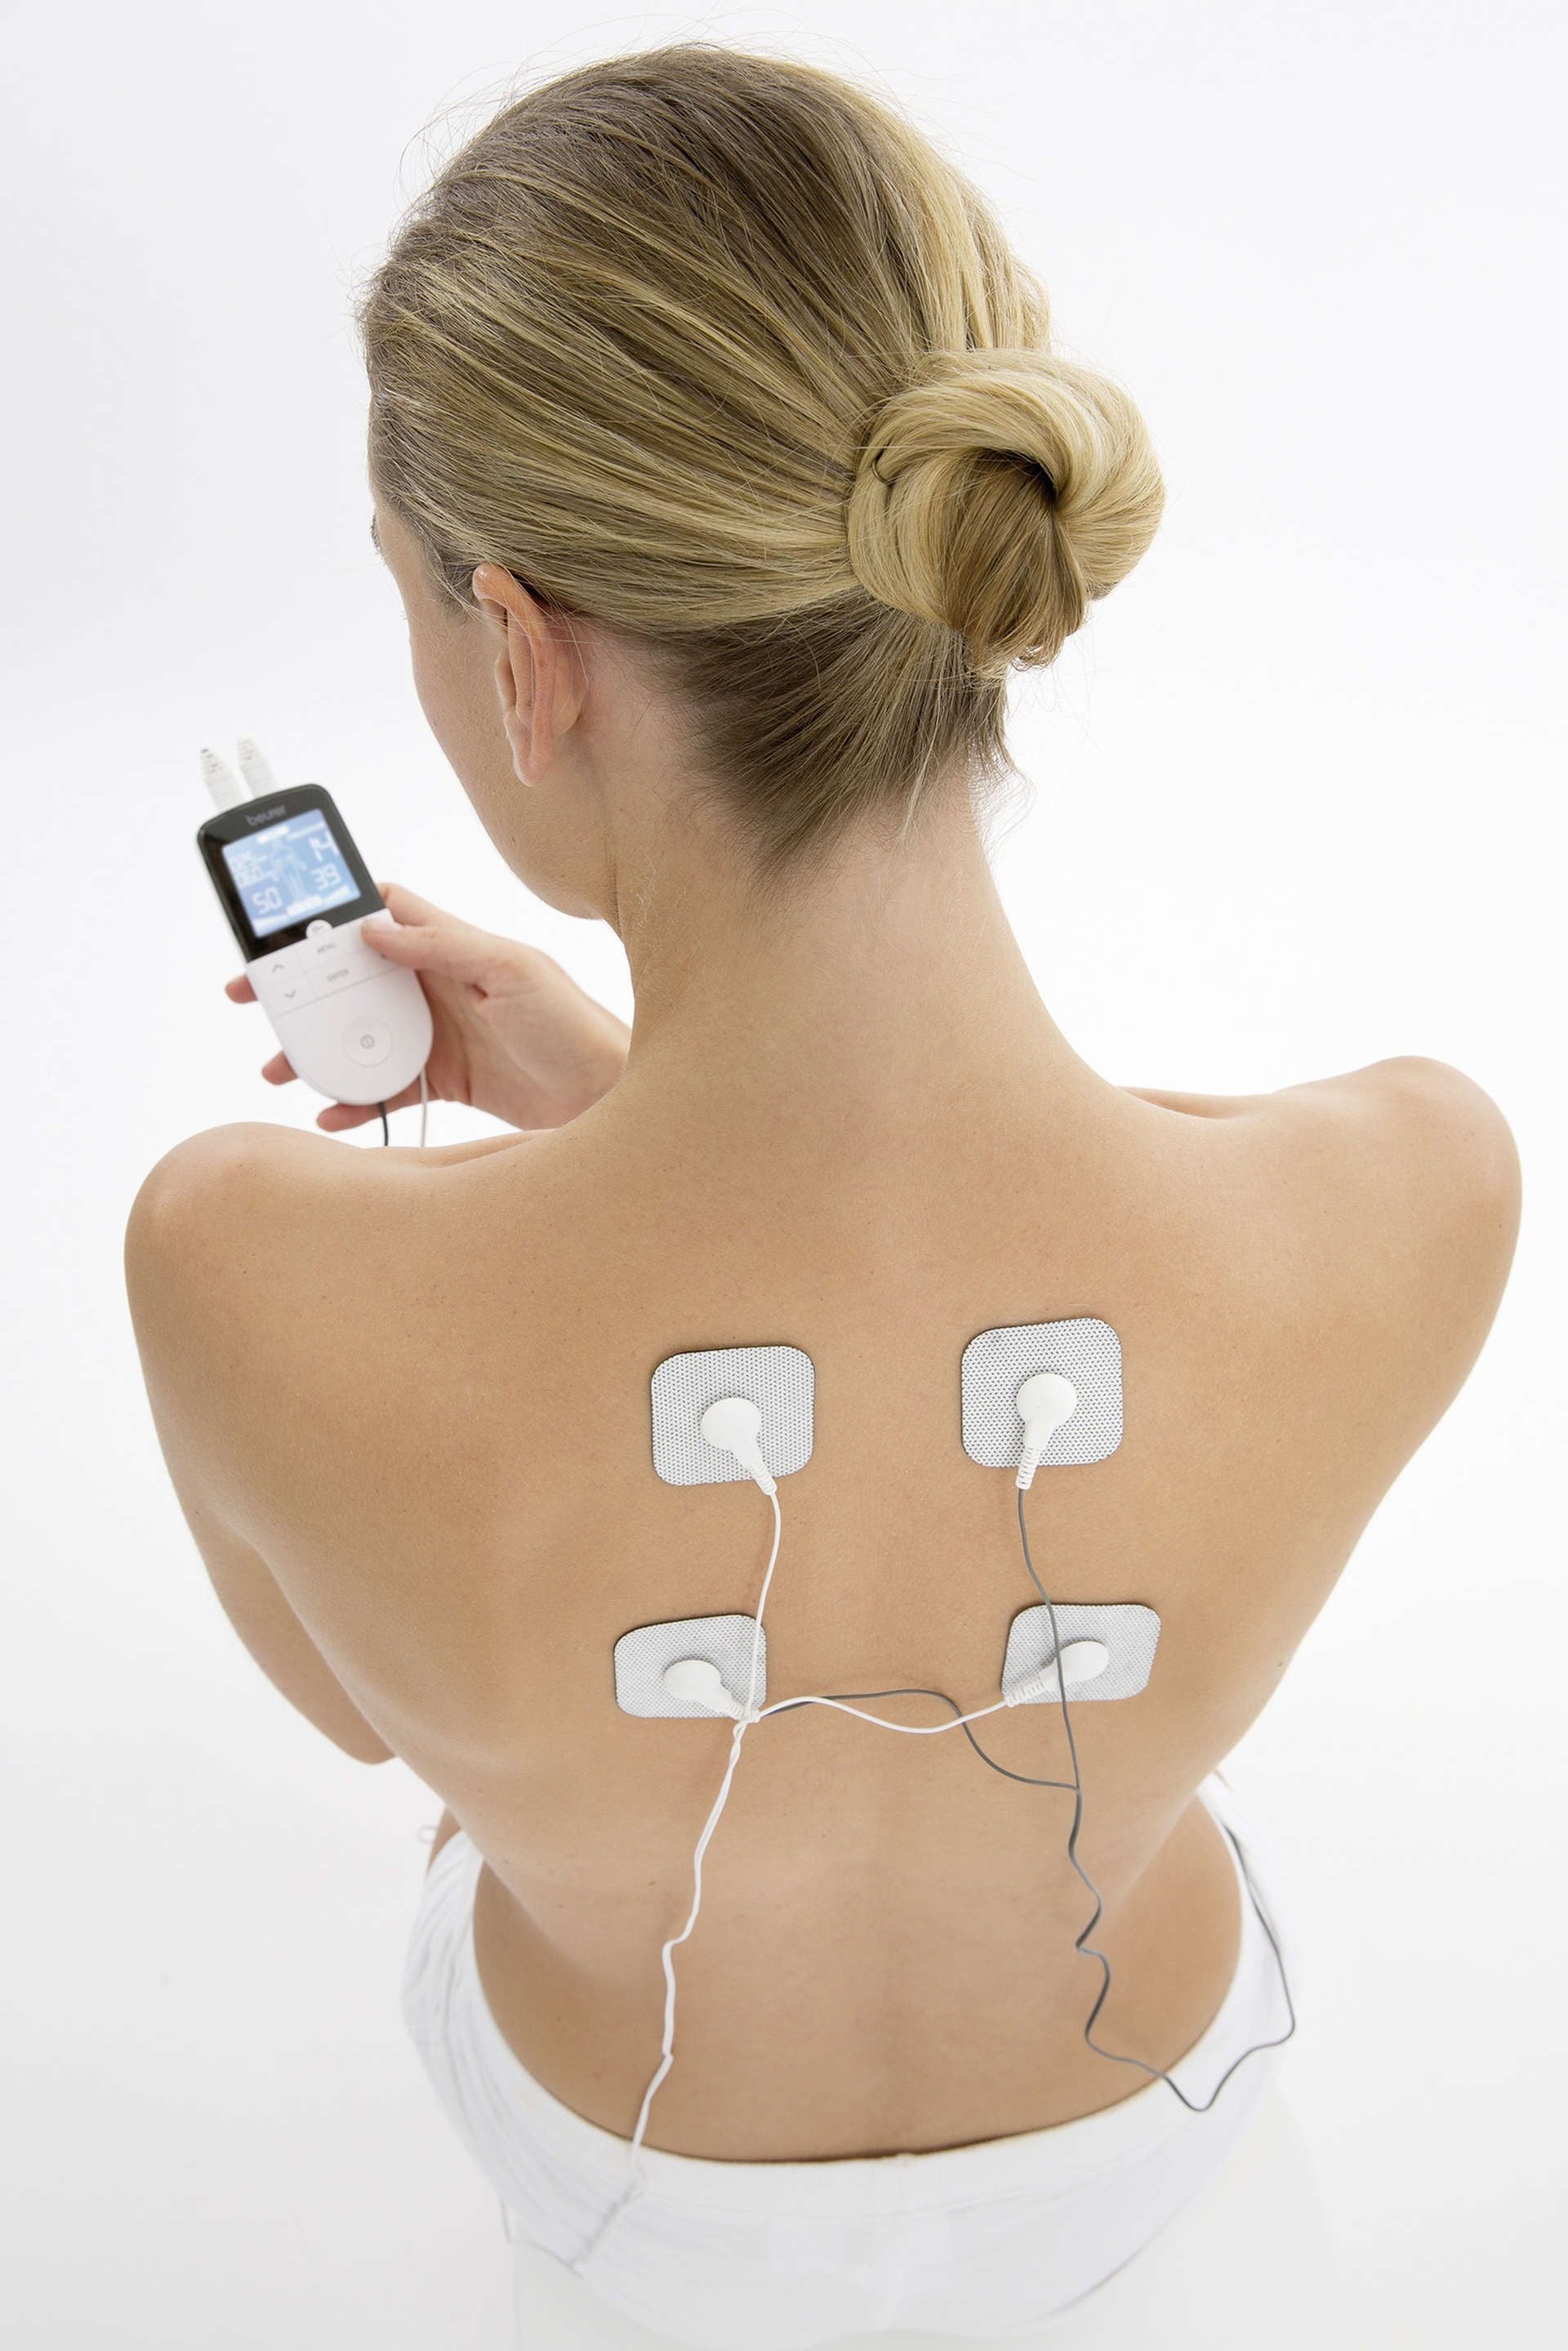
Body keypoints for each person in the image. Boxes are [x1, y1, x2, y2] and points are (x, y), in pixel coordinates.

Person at [123, 41, 1519, 2349]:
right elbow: (1024, 1208)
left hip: (629, 2194)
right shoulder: (1414, 1192)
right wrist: (619, 1093)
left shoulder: (239, 1264)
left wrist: (608, 1122)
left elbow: (361, 1719)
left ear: (517, 653)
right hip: (1163, 2119)